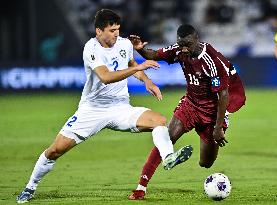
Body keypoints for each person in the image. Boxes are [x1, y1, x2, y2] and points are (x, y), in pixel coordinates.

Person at [16, 9, 193, 204]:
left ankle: (168, 157)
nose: (116, 34)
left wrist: (147, 81)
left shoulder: (124, 44)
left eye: (118, 29)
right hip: (92, 110)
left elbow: (132, 62)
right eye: (111, 30)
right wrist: (137, 68)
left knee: (159, 121)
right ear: (98, 31)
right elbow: (106, 77)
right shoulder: (91, 48)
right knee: (55, 150)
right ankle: (30, 187)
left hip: (120, 108)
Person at [128, 24, 246, 200]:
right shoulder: (179, 50)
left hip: (212, 113)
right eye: (180, 44)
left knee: (205, 163)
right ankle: (140, 188)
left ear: (196, 39)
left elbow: (223, 95)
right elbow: (154, 54)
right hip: (190, 105)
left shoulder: (211, 60)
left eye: (187, 45)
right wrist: (140, 49)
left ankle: (207, 139)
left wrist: (218, 127)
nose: (183, 48)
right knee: (166, 139)